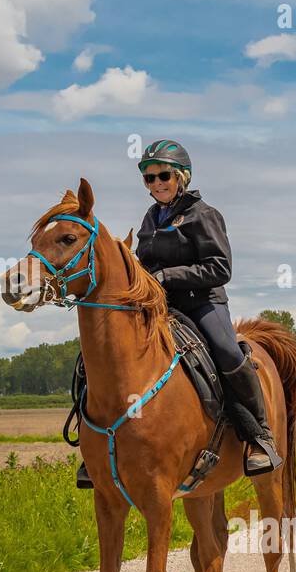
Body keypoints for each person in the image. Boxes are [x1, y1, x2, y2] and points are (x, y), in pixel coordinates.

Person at [73, 139, 282, 488]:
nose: (156, 184)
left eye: (163, 175)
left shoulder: (205, 215)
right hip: (161, 306)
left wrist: (167, 276)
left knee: (228, 352)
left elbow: (220, 267)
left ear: (182, 176)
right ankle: (93, 450)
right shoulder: (150, 218)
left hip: (203, 303)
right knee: (92, 359)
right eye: (149, 178)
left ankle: (259, 436)